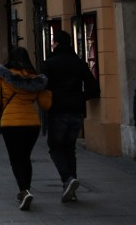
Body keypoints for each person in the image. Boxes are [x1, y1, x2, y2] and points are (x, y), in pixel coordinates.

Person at [41, 29, 100, 203]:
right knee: (70, 149)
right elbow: (94, 89)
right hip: (76, 111)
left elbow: (42, 87)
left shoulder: (49, 64)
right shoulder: (79, 63)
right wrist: (79, 98)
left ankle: (68, 179)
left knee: (55, 147)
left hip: (58, 111)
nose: (51, 44)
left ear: (57, 44)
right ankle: (70, 189)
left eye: (53, 42)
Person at [0, 47, 52, 211]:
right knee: (25, 157)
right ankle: (26, 190)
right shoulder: (35, 79)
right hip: (32, 124)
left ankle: (24, 191)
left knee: (16, 159)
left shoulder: (3, 78)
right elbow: (46, 104)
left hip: (11, 124)